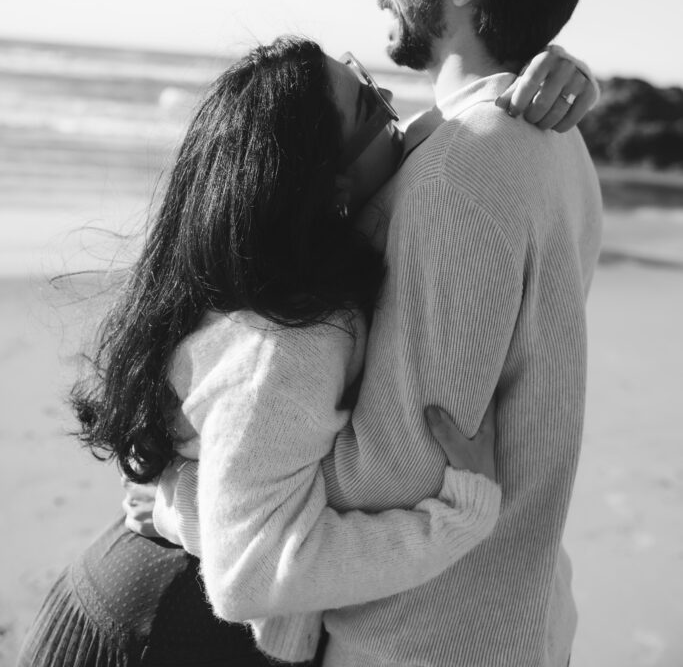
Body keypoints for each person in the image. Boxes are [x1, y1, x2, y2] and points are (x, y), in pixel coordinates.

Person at [151, 0, 603, 667]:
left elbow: (402, 465)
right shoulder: (537, 130)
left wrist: (191, 496)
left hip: (423, 636)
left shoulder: (469, 164)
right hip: (497, 609)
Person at [18, 35, 521, 667]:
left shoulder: (244, 273)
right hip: (160, 632)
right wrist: (457, 519)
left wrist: (542, 77)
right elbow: (250, 574)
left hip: (137, 595)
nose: (391, 97)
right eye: (369, 103)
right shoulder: (288, 342)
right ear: (329, 182)